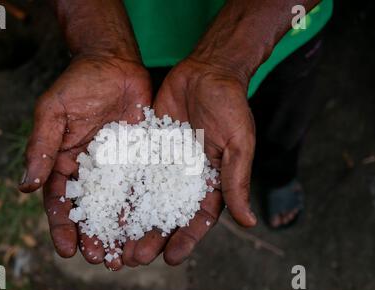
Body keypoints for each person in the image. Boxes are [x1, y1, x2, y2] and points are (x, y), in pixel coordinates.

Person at [18, 0, 333, 271]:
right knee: (153, 105)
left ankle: (279, 174)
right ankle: (278, 173)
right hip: (127, 27)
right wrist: (99, 44)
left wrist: (228, 58)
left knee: (280, 118)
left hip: (276, 25)